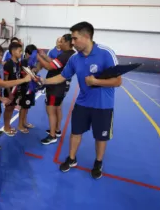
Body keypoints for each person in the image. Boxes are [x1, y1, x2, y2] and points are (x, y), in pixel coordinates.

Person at [40, 22, 121, 179]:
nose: (73, 42)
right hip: (82, 103)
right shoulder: (74, 58)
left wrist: (96, 82)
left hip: (103, 105)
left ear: (86, 37)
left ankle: (98, 162)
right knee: (75, 132)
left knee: (100, 136)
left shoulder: (106, 53)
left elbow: (117, 81)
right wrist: (44, 81)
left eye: (75, 39)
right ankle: (71, 158)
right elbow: (63, 76)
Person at [37, 34, 75, 145]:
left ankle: (52, 135)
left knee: (51, 110)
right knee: (57, 108)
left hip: (55, 87)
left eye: (62, 41)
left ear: (68, 43)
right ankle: (56, 130)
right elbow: (53, 62)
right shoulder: (69, 54)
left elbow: (49, 66)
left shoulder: (65, 55)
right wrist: (44, 56)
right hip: (61, 87)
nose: (60, 43)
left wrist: (38, 58)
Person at [3, 42, 24, 136]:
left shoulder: (18, 63)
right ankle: (6, 127)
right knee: (8, 109)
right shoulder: (8, 64)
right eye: (20, 51)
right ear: (13, 51)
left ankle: (8, 125)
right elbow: (5, 80)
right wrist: (9, 93)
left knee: (11, 109)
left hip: (16, 91)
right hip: (9, 91)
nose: (21, 53)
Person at [17, 44, 39, 133]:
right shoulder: (24, 62)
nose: (31, 56)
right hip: (25, 88)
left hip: (31, 87)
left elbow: (35, 71)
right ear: (26, 53)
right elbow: (25, 74)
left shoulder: (33, 62)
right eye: (30, 54)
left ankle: (24, 122)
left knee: (27, 106)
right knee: (23, 106)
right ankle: (20, 125)